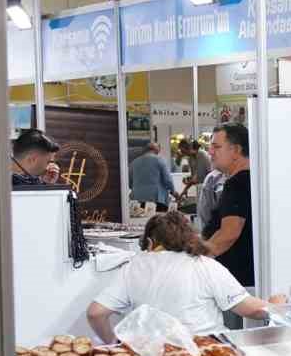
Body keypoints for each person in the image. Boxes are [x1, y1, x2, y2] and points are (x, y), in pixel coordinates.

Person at [85, 211, 277, 341]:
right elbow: (252, 310)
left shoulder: (134, 267)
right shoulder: (206, 266)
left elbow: (96, 313)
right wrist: (278, 306)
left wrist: (113, 343)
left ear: (150, 242)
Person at [202, 124, 255, 314]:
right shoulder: (250, 179)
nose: (210, 152)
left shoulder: (237, 183)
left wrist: (199, 258)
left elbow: (229, 233)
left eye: (216, 147)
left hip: (236, 284)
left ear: (236, 150)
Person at [130, 142, 180, 212]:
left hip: (137, 199)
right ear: (156, 150)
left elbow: (130, 183)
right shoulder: (159, 160)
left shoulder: (134, 162)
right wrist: (174, 192)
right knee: (157, 221)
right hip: (156, 198)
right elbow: (168, 180)